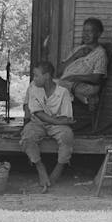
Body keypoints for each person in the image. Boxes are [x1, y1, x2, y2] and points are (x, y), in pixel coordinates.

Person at [20, 61, 75, 192]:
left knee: (67, 135)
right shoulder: (34, 88)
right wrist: (57, 121)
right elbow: (38, 113)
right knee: (27, 136)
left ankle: (57, 170)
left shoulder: (63, 92)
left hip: (57, 125)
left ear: (47, 76)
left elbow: (66, 117)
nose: (34, 78)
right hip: (37, 123)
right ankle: (40, 168)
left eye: (37, 75)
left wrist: (59, 123)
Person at [56, 17, 107, 105]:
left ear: (98, 34)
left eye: (89, 31)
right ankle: (30, 116)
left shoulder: (100, 53)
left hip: (84, 86)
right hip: (66, 82)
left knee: (54, 88)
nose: (85, 35)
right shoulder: (77, 49)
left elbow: (97, 78)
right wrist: (75, 56)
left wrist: (75, 77)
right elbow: (59, 71)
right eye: (84, 31)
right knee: (36, 84)